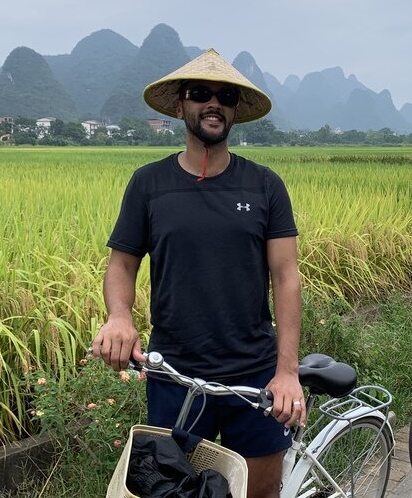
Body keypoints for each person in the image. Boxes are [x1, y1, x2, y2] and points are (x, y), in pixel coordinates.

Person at [91, 49, 304, 498]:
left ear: (235, 111)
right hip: (175, 375)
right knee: (168, 490)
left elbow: (286, 277)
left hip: (254, 373)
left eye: (225, 96)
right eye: (201, 93)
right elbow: (122, 263)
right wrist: (119, 317)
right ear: (179, 105)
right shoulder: (149, 184)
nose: (214, 103)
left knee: (261, 492)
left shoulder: (264, 185)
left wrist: (287, 372)